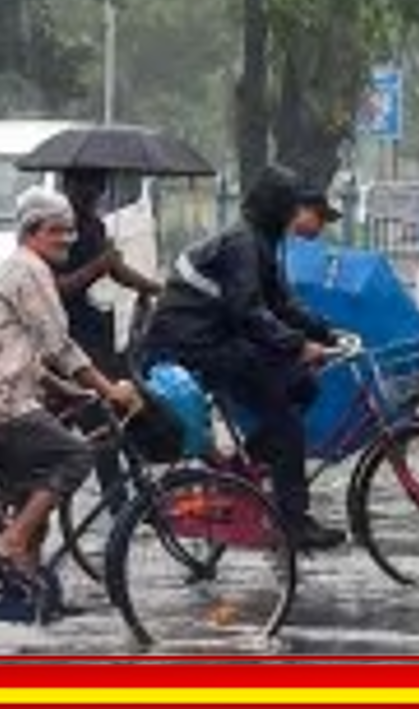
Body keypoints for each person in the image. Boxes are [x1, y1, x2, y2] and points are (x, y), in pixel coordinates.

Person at [0, 189, 142, 578]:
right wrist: (109, 390)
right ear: (31, 232)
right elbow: (60, 345)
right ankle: (12, 541)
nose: (67, 238)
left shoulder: (17, 267)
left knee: (35, 491)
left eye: (70, 230)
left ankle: (27, 586)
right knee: (77, 456)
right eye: (56, 230)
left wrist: (68, 391)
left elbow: (17, 350)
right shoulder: (30, 269)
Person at [137, 166, 346, 551]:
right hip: (195, 342)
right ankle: (294, 523)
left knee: (303, 385)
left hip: (214, 335)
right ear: (276, 208)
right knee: (286, 426)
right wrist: (297, 346)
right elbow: (249, 311)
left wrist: (327, 332)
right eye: (288, 206)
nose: (292, 214)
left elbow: (280, 302)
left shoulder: (260, 242)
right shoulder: (243, 244)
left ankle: (242, 465)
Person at [52, 170, 162, 506]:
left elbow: (114, 269)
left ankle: (130, 498)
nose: (92, 193)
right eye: (84, 186)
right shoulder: (54, 230)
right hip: (60, 336)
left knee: (115, 415)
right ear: (68, 186)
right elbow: (57, 287)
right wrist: (98, 266)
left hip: (92, 333)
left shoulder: (95, 226)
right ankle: (118, 503)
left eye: (97, 187)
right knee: (95, 422)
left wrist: (151, 287)